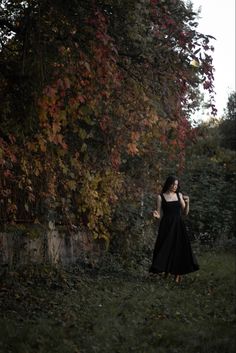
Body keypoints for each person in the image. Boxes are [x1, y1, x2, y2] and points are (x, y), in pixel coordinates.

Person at [149, 175, 199, 283]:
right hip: (166, 226)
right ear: (168, 184)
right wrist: (155, 215)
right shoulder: (160, 197)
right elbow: (158, 214)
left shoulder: (179, 195)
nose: (175, 186)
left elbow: (185, 213)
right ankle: (166, 272)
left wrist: (188, 202)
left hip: (178, 225)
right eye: (173, 184)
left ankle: (177, 274)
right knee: (164, 248)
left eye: (176, 184)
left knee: (178, 249)